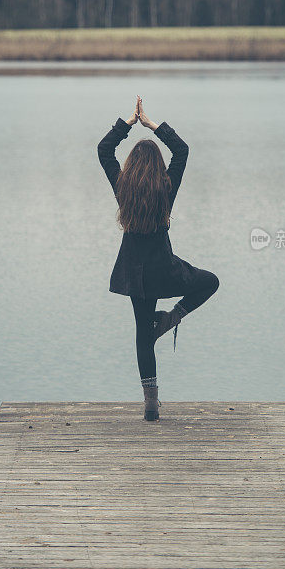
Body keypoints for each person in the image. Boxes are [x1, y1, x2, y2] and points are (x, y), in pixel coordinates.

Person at [97, 96, 219, 422]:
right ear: (157, 167)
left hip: (135, 276)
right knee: (210, 282)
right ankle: (170, 319)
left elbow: (103, 150)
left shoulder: (122, 187)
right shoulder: (166, 187)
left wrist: (127, 124)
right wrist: (153, 125)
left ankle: (151, 403)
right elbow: (182, 151)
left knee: (141, 334)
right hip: (166, 271)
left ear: (131, 166)